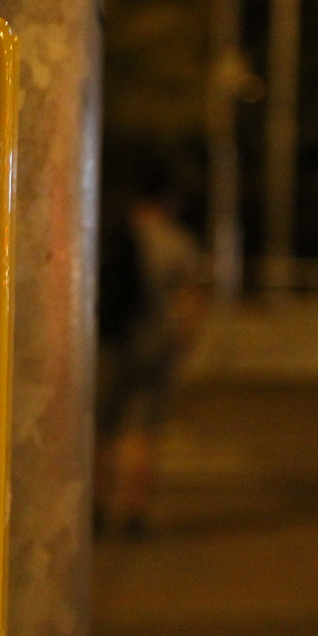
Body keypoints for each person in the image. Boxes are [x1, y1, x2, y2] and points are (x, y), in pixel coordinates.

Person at [94, 186, 204, 534]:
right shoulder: (178, 242)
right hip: (157, 349)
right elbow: (190, 302)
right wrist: (182, 345)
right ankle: (135, 511)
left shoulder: (113, 235)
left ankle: (97, 505)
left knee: (102, 430)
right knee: (145, 432)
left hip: (112, 345)